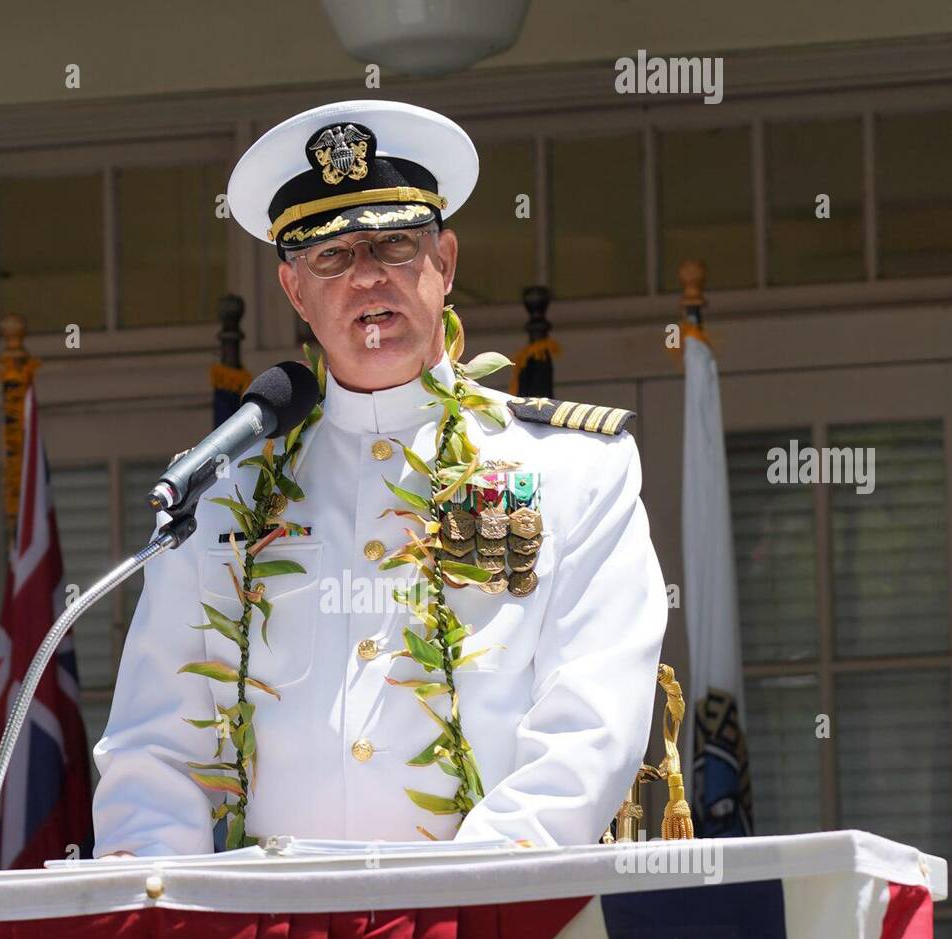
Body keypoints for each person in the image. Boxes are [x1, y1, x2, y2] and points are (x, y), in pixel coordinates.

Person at [92, 99, 667, 856]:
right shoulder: (224, 493)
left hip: (497, 935)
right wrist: (173, 933)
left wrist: (457, 912)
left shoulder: (573, 469)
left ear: (446, 263)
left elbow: (588, 729)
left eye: (395, 244)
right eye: (331, 256)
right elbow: (153, 754)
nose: (367, 278)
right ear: (295, 291)